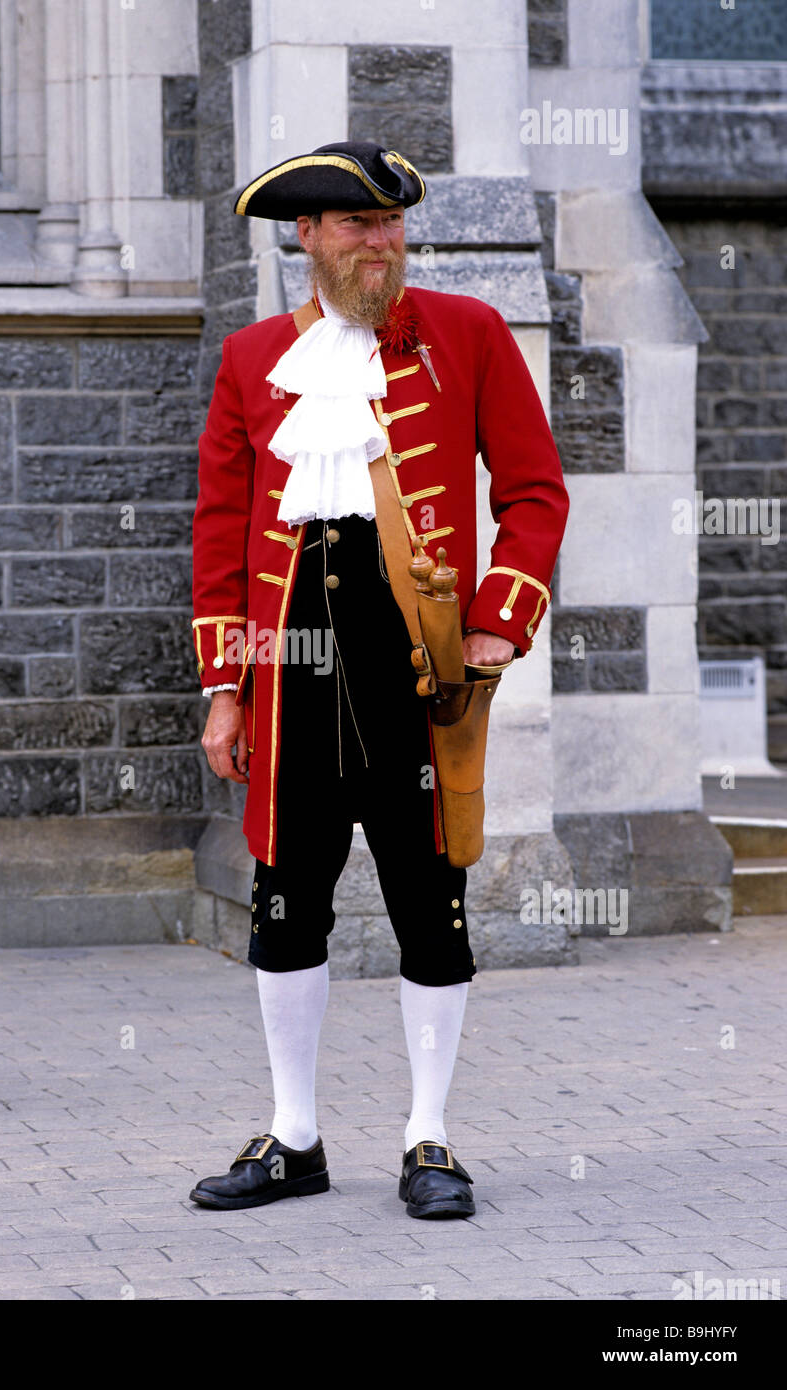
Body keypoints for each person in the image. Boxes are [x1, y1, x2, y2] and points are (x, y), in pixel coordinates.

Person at [188, 141, 569, 1218]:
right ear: (305, 237)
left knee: (427, 904)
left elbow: (534, 491)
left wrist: (498, 622)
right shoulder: (254, 356)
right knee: (282, 902)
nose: (381, 243)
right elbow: (221, 531)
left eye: (392, 224)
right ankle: (294, 1136)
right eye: (355, 226)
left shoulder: (468, 333)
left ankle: (429, 1138)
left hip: (414, 675)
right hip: (287, 673)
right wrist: (226, 686)